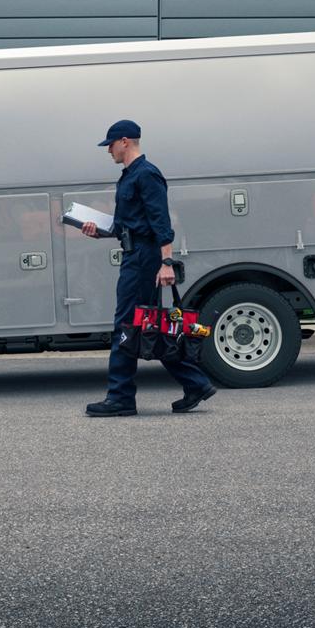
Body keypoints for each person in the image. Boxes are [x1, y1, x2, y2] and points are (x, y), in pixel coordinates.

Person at [81, 119, 217, 417]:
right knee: (145, 325)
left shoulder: (147, 174)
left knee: (127, 325)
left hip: (145, 257)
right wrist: (98, 231)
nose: (108, 151)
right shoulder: (129, 176)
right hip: (135, 254)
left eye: (111, 145)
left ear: (125, 141)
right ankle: (195, 384)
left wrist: (166, 262)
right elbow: (127, 224)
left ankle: (120, 397)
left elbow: (161, 222)